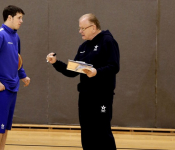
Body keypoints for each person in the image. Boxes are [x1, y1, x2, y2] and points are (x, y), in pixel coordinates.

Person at [46, 13, 119, 150]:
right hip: (85, 97)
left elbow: (114, 66)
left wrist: (97, 72)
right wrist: (56, 63)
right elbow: (72, 71)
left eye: (83, 28)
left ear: (93, 27)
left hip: (102, 97)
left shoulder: (108, 41)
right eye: (80, 28)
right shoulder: (83, 47)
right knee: (87, 132)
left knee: (102, 131)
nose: (80, 31)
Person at [0, 5, 30, 150]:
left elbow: (17, 59)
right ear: (9, 17)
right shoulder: (0, 35)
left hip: (13, 87)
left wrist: (23, 76)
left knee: (5, 129)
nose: (21, 21)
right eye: (19, 18)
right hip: (2, 88)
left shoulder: (16, 36)